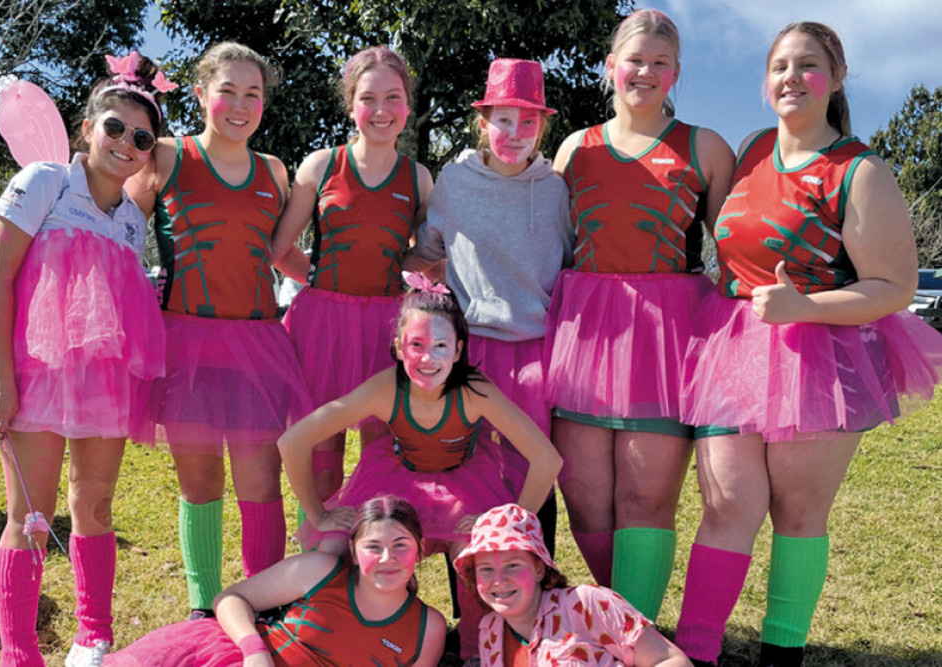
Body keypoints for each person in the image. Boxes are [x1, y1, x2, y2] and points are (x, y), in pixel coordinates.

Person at [674, 22, 942, 667]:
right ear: (765, 84)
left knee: (798, 515)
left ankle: (781, 656)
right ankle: (694, 652)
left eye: (808, 65)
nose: (792, 77)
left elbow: (896, 286)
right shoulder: (753, 147)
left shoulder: (860, 169)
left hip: (824, 355)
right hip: (733, 345)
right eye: (780, 67)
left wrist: (804, 308)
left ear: (837, 77)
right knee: (726, 504)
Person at [0, 52, 169, 665]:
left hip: (101, 383)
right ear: (87, 129)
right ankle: (20, 654)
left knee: (93, 505)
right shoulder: (44, 181)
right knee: (32, 516)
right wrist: (1, 381)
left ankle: (93, 638)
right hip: (34, 377)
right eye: (114, 127)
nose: (126, 142)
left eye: (142, 137)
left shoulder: (129, 220)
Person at [544, 8, 734, 622]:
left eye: (659, 62)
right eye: (635, 59)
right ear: (610, 67)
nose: (645, 72)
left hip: (669, 331)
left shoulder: (704, 147)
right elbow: (547, 243)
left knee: (646, 498)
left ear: (675, 73)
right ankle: (623, 621)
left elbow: (737, 249)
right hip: (585, 328)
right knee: (585, 500)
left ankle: (632, 642)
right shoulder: (575, 147)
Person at [279, 275, 563, 664]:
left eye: (441, 346)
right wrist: (318, 512)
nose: (428, 358)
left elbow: (548, 459)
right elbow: (292, 441)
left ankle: (475, 649)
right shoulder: (385, 388)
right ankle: (346, 635)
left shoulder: (474, 392)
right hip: (394, 481)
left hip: (465, 486)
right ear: (398, 347)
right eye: (417, 345)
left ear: (459, 349)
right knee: (334, 547)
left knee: (476, 551)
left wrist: (505, 521)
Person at [127, 42, 312, 619]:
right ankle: (204, 606)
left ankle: (265, 601)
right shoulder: (164, 156)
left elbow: (285, 256)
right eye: (226, 91)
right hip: (185, 344)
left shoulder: (275, 171)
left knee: (261, 484)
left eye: (252, 93)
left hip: (258, 345)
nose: (239, 104)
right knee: (199, 484)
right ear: (202, 94)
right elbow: (119, 230)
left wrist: (365, 285)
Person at [405, 57, 573, 556]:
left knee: (531, 472)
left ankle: (532, 591)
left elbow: (570, 260)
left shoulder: (556, 190)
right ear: (483, 123)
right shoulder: (454, 183)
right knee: (465, 473)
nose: (516, 132)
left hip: (537, 352)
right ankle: (472, 610)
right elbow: (429, 253)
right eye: (503, 119)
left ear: (542, 127)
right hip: (469, 350)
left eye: (529, 121)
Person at [271, 46, 434, 504]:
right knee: (321, 452)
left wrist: (409, 266)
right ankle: (320, 556)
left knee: (381, 454)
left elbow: (420, 263)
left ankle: (373, 566)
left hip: (389, 328)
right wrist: (323, 283)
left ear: (407, 104)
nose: (381, 111)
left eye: (393, 97)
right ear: (351, 105)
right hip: (320, 324)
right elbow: (280, 251)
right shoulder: (321, 165)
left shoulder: (419, 178)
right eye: (368, 98)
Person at [103, 495, 447, 666]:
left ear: (420, 549)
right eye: (374, 546)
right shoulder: (320, 571)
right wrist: (254, 652)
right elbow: (232, 599)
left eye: (400, 545)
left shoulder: (427, 627)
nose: (387, 558)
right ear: (355, 553)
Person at [454, 503, 692, 666]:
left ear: (539, 568)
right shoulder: (490, 630)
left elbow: (671, 661)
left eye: (513, 565)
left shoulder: (586, 604)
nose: (499, 579)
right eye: (486, 569)